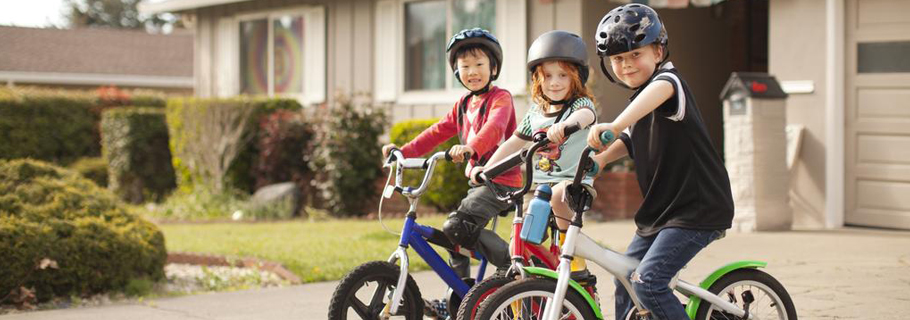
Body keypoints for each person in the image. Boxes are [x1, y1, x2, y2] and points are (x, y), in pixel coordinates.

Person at [586, 4, 735, 320]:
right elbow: (628, 138)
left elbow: (653, 96)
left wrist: (611, 125)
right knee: (624, 274)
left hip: (697, 210)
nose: (626, 65)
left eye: (634, 55)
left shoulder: (669, 83)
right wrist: (598, 163)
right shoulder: (641, 99)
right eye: (617, 59)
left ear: (658, 50)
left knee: (648, 282)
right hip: (662, 211)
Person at [381, 28, 520, 279]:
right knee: (453, 238)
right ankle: (459, 295)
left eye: (479, 64)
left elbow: (495, 127)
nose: (473, 71)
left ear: (494, 69)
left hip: (502, 182)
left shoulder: (501, 98)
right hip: (479, 183)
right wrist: (402, 152)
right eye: (465, 66)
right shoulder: (463, 105)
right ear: (457, 72)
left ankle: (514, 264)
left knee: (457, 227)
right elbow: (435, 133)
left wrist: (471, 147)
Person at [473, 30, 598, 285]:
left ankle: (575, 257)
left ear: (577, 76)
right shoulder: (536, 113)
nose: (554, 82)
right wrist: (487, 168)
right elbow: (514, 142)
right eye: (547, 76)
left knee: (557, 195)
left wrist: (565, 126)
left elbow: (586, 117)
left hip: (573, 185)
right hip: (537, 188)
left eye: (562, 75)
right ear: (537, 79)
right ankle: (527, 288)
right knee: (519, 242)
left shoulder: (580, 105)